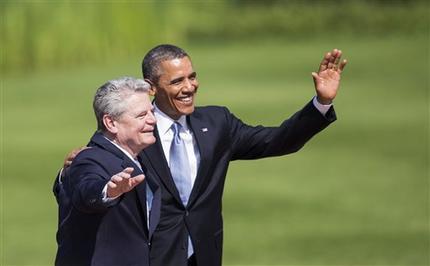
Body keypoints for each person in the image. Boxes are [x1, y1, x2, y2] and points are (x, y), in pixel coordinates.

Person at [59, 45, 347, 266]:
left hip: (204, 254)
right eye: (177, 82)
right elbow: (91, 179)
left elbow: (278, 141)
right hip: (154, 257)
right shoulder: (136, 132)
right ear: (151, 87)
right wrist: (76, 176)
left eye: (192, 77)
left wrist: (321, 103)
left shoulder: (217, 123)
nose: (189, 87)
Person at [54, 77, 160, 266]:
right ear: (111, 123)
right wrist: (108, 191)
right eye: (141, 115)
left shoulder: (141, 156)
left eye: (151, 112)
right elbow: (87, 190)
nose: (152, 120)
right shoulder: (88, 158)